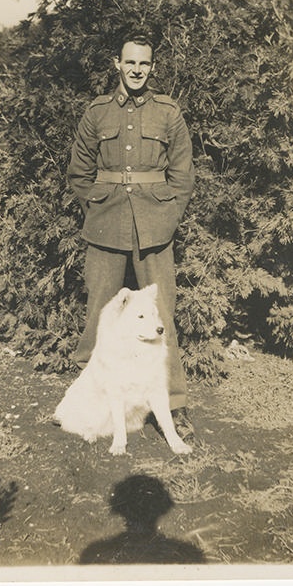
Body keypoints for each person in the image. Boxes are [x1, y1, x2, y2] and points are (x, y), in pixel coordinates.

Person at [67, 29, 195, 443]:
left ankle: (173, 406)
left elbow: (182, 173)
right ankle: (90, 401)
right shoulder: (97, 112)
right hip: (106, 222)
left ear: (152, 68)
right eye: (130, 62)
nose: (136, 70)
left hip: (155, 225)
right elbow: (79, 171)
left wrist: (169, 215)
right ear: (117, 64)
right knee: (99, 315)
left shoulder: (167, 113)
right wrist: (97, 207)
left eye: (144, 63)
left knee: (162, 317)